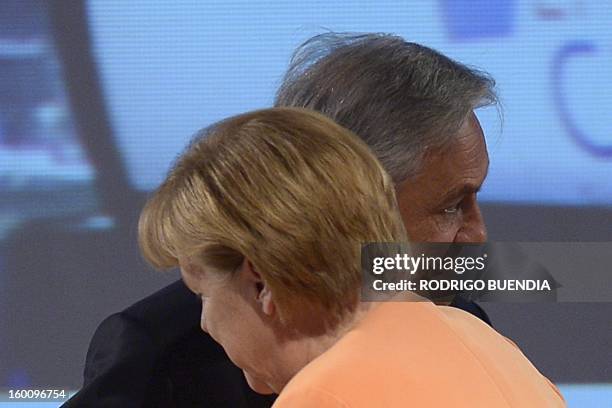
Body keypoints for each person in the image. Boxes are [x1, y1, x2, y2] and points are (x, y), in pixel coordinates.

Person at [65, 33, 497, 407]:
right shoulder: (159, 354)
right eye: (451, 206)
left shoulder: (463, 325)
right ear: (352, 195)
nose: (478, 233)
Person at [137, 107, 565, 407]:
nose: (204, 324)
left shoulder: (325, 396)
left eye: (202, 293)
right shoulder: (492, 348)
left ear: (261, 281)